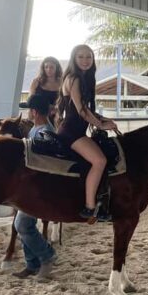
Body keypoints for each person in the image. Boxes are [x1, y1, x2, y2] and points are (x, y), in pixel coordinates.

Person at [56, 45, 117, 222]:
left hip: (77, 130)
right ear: (74, 59)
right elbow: (81, 110)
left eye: (88, 57)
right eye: (81, 57)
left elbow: (88, 110)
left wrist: (105, 120)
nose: (85, 60)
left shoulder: (86, 79)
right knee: (100, 161)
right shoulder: (74, 79)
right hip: (71, 132)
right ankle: (90, 207)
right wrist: (100, 125)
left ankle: (102, 202)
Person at [13, 94, 57, 279]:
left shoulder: (44, 132)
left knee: (23, 224)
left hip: (40, 190)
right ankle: (32, 264)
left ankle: (47, 257)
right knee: (22, 224)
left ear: (34, 111)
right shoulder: (36, 130)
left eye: (29, 109)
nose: (27, 113)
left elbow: (45, 163)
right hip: (32, 188)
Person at [29, 57, 62, 122]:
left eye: (51, 67)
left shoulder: (62, 82)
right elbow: (31, 100)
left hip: (55, 116)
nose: (48, 69)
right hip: (39, 116)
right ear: (43, 69)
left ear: (57, 68)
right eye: (46, 67)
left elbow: (64, 101)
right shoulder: (36, 82)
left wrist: (57, 109)